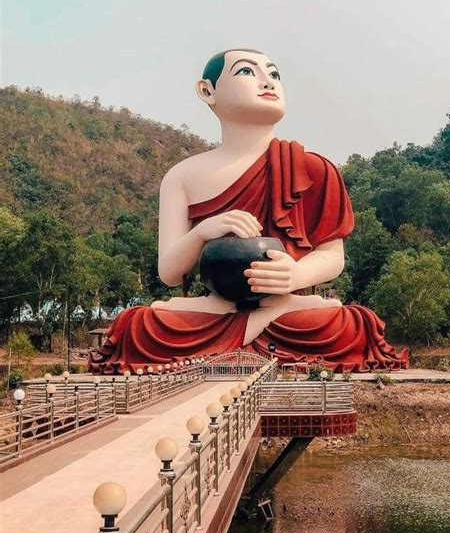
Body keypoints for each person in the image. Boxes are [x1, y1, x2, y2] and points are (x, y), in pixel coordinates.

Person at [89, 48, 408, 374]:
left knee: (349, 323)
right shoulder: (182, 176)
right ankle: (251, 333)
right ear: (207, 90)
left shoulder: (313, 168)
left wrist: (295, 275)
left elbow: (332, 255)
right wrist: (202, 232)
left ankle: (235, 341)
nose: (267, 81)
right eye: (246, 72)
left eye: (274, 74)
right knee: (140, 324)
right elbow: (170, 273)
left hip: (285, 306)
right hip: (214, 307)